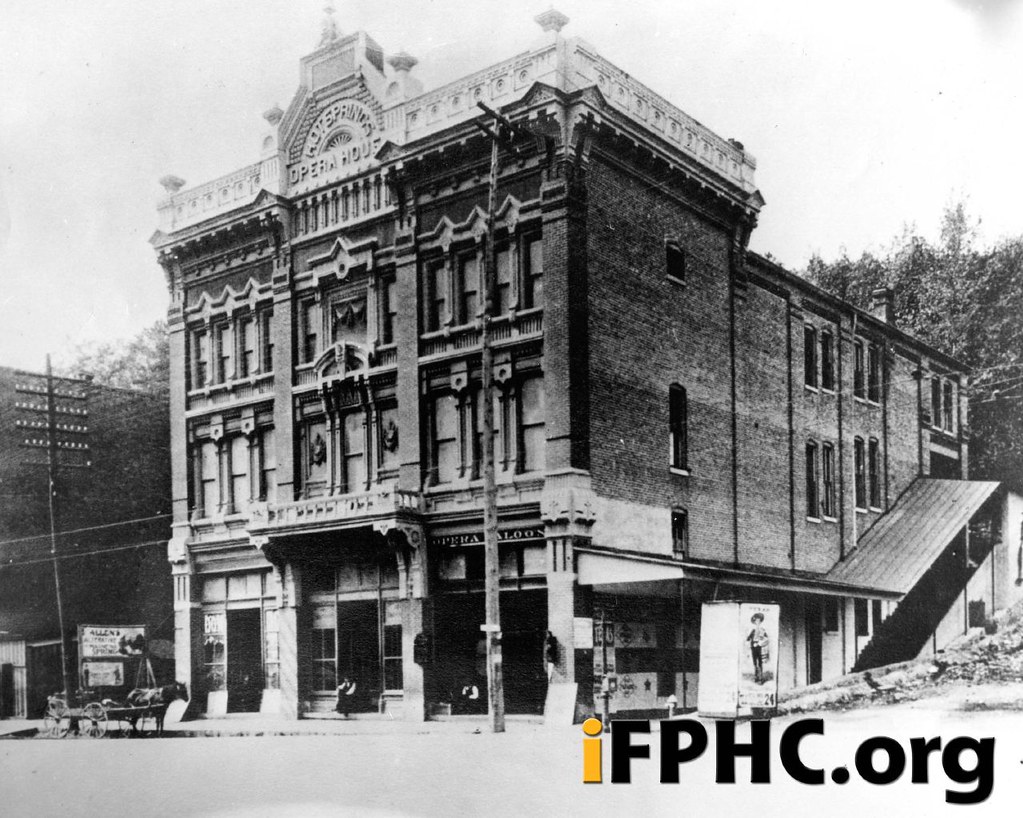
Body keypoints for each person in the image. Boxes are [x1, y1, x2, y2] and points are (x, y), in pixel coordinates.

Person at [746, 613, 770, 684]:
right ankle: (756, 677)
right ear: (754, 622)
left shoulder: (762, 630)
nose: (757, 622)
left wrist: (759, 643)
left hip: (760, 648)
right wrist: (750, 641)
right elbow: (748, 639)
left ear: (760, 622)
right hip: (753, 648)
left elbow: (766, 638)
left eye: (759, 621)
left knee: (760, 663)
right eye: (756, 621)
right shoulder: (753, 630)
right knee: (755, 663)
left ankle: (761, 678)